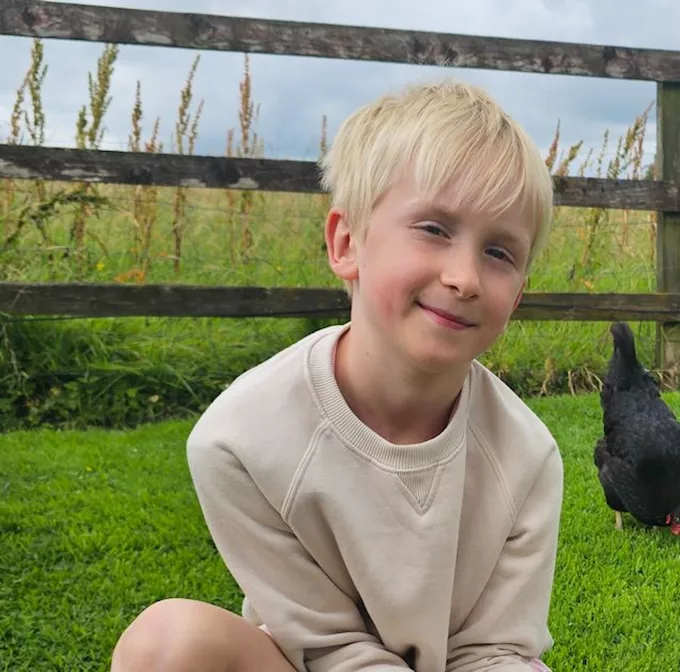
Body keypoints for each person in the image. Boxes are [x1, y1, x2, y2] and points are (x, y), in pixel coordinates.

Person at [110, 77, 564, 671]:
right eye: (434, 229)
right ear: (347, 242)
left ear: (520, 292)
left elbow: (496, 652)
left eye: (499, 252)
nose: (465, 278)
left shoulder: (528, 458)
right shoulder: (239, 440)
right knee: (167, 644)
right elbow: (326, 647)